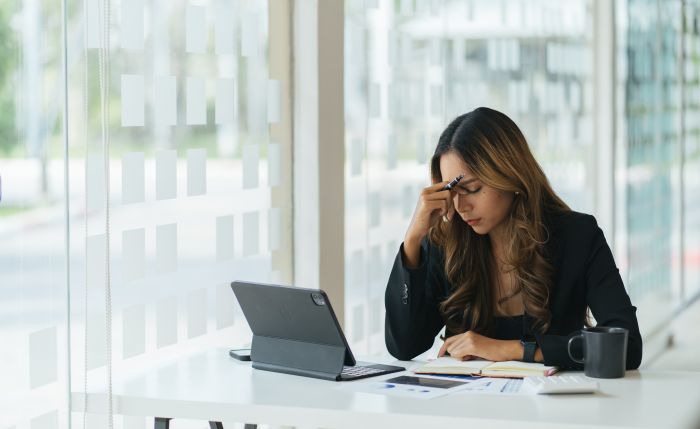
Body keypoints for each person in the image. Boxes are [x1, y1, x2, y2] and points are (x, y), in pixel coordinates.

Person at [385, 107, 642, 369]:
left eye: (472, 189)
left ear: (510, 175)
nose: (461, 205)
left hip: (552, 406)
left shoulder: (578, 236)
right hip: (464, 406)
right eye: (452, 193)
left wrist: (511, 350)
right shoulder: (447, 243)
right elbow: (404, 346)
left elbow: (627, 346)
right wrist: (413, 240)